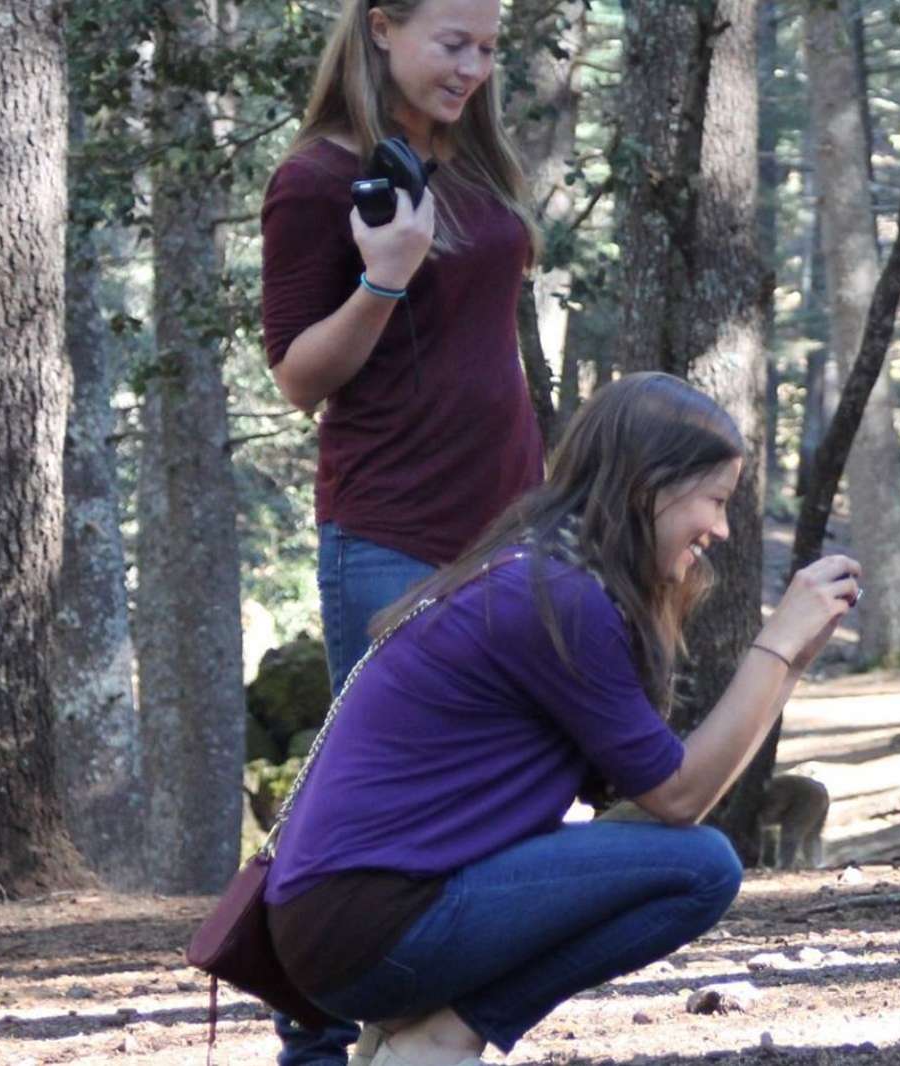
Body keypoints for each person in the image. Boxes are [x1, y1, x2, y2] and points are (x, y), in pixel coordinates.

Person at [266, 373, 861, 1066]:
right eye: (717, 501)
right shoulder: (557, 598)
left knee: (673, 847)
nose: (723, 529)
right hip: (369, 926)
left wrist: (789, 662)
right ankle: (441, 1037)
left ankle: (409, 1036)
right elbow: (680, 795)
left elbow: (655, 801)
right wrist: (777, 647)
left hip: (346, 921)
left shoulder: (543, 573)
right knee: (701, 869)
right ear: (651, 486)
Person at [259, 0, 544, 1057]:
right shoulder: (318, 179)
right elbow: (297, 375)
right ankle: (316, 1045)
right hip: (391, 534)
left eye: (489, 48)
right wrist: (385, 276)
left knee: (503, 792)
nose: (473, 68)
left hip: (511, 533)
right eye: (452, 44)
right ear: (381, 27)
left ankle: (427, 1032)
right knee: (363, 817)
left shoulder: (468, 163)